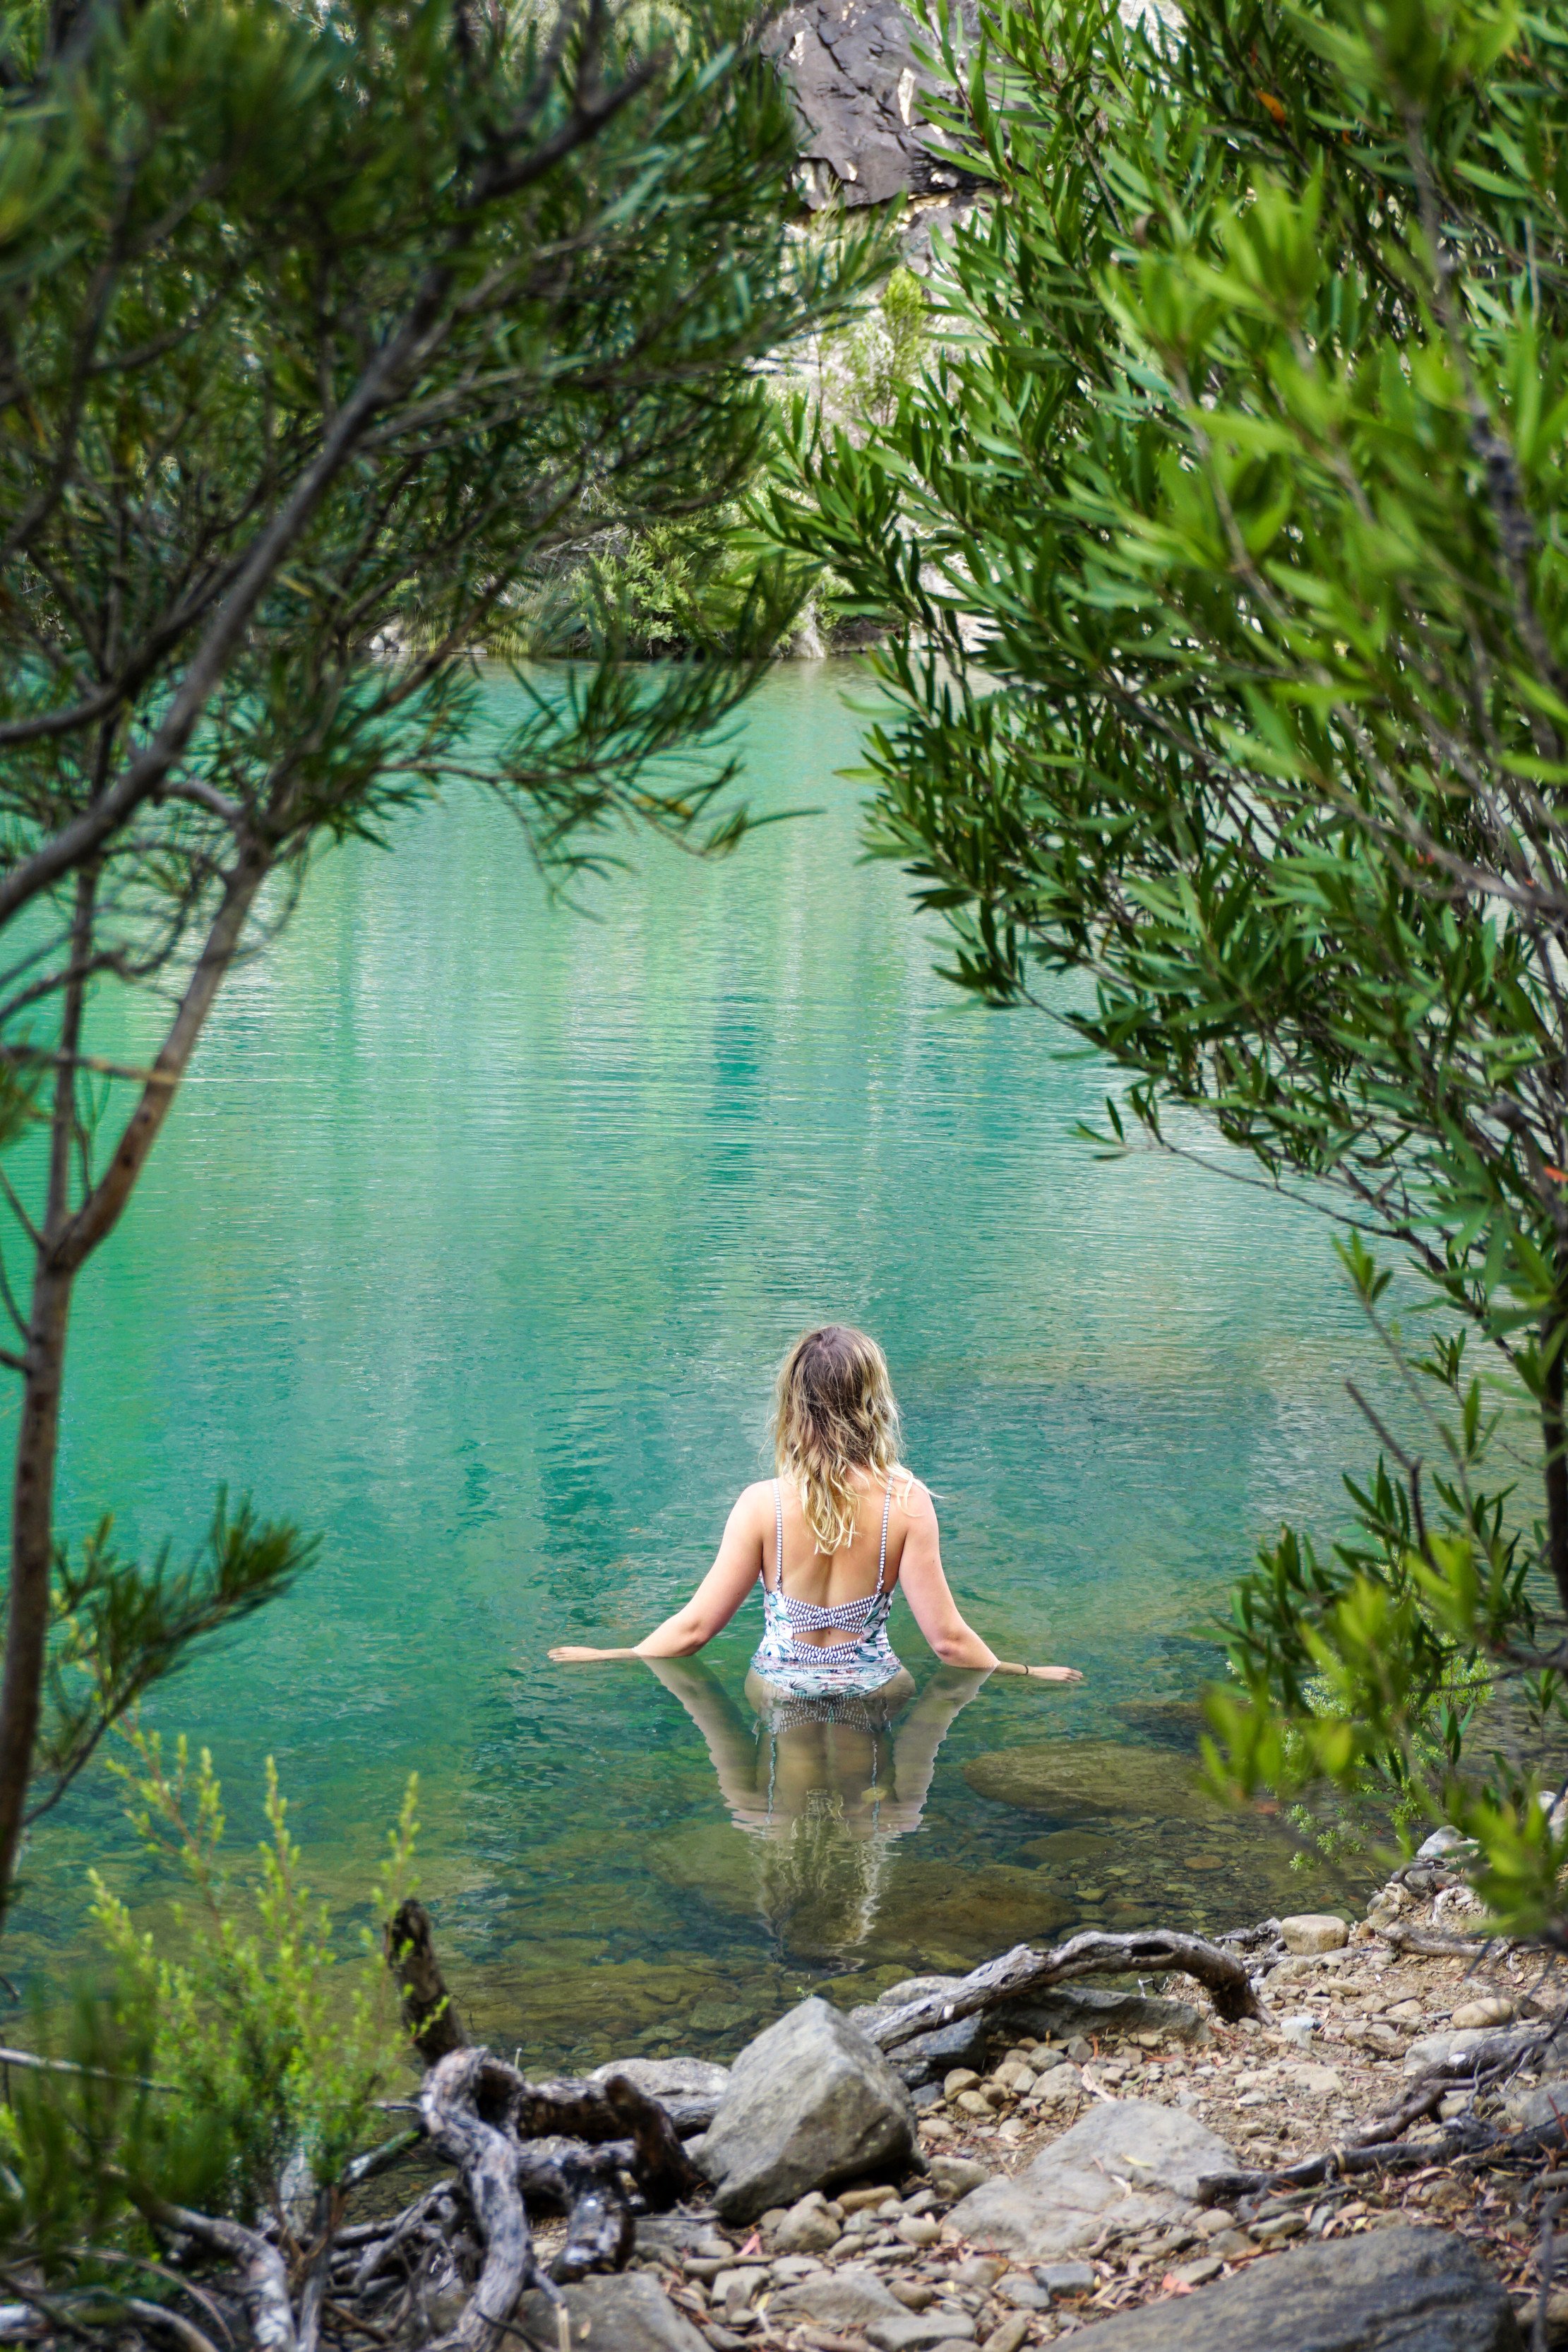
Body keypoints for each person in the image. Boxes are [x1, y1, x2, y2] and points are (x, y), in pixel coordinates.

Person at [548, 1323, 1084, 1693]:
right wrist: (1025, 1671)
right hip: (875, 1687)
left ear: (793, 1404)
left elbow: (692, 1632)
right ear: (874, 1403)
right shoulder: (907, 1502)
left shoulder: (762, 1505)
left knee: (783, 1823)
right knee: (869, 1825)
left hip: (781, 1688)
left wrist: (609, 1656)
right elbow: (947, 1642)